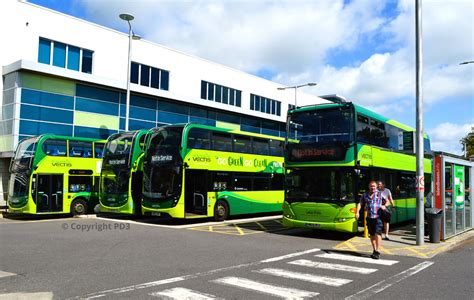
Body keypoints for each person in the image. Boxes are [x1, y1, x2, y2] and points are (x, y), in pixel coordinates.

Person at [356, 181, 387, 259]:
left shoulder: (380, 194)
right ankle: (374, 249)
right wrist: (357, 212)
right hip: (369, 218)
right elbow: (360, 203)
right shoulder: (365, 195)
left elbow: (388, 200)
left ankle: (377, 250)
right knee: (372, 234)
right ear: (369, 187)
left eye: (374, 186)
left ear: (376, 187)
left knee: (378, 233)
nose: (372, 188)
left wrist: (384, 206)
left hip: (378, 217)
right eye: (371, 186)